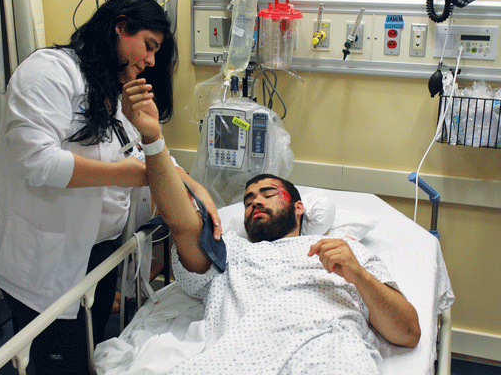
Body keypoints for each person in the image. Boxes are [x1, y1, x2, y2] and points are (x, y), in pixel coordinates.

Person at [0, 0, 220, 375]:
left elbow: (142, 149)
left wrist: (191, 184)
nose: (150, 60)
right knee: (56, 360)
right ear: (119, 26)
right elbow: (37, 162)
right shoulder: (50, 71)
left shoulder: (111, 88)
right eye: (149, 46)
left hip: (98, 254)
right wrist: (128, 175)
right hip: (45, 256)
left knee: (87, 349)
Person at [122, 82, 421, 373]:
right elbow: (182, 224)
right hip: (236, 359)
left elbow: (408, 332)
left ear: (298, 207)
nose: (256, 202)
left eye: (268, 194)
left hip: (327, 355)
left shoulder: (345, 253)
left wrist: (358, 275)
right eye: (249, 199)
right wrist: (153, 139)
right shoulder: (229, 251)